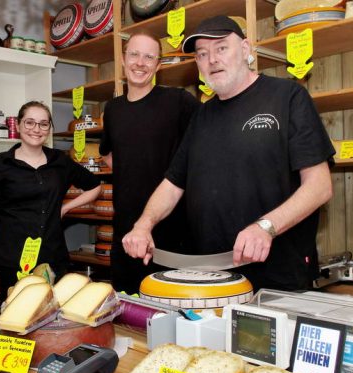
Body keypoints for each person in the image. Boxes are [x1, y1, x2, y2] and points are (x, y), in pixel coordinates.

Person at [122, 15, 335, 291]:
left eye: (221, 48)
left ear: (245, 50)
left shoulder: (288, 97)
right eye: (202, 54)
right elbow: (173, 184)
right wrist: (143, 225)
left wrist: (266, 227)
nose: (211, 59)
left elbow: (320, 187)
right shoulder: (202, 116)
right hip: (215, 277)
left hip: (278, 274)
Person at [99, 32, 199, 294]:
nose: (140, 63)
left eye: (148, 57)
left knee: (172, 315)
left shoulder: (179, 101)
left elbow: (203, 154)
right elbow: (109, 155)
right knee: (126, 311)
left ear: (158, 65)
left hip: (171, 232)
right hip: (126, 232)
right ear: (123, 59)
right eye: (134, 54)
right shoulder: (112, 109)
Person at [0, 101, 102, 303]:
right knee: (16, 324)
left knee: (55, 325)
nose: (36, 129)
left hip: (53, 258)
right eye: (29, 123)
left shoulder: (59, 161)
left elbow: (94, 186)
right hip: (11, 262)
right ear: (18, 126)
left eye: (43, 124)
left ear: (49, 129)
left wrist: (66, 208)